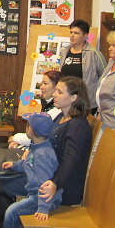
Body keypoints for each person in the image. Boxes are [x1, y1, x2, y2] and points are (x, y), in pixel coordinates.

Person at [0, 69, 61, 196]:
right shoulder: (47, 105)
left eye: (45, 84)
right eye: (41, 83)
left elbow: (36, 136)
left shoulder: (55, 112)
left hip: (31, 156)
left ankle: (6, 204)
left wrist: (16, 138)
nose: (41, 87)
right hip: (29, 150)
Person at [38, 76, 93, 207]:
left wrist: (55, 183)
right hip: (47, 171)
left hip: (62, 188)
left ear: (73, 98)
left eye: (60, 92)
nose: (54, 94)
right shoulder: (61, 116)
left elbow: (70, 161)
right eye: (55, 90)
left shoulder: (78, 126)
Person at [58, 19, 106, 110]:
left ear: (85, 36)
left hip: (86, 103)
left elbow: (105, 79)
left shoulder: (94, 54)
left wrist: (102, 106)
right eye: (71, 32)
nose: (72, 36)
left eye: (76, 33)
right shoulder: (64, 51)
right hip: (67, 101)